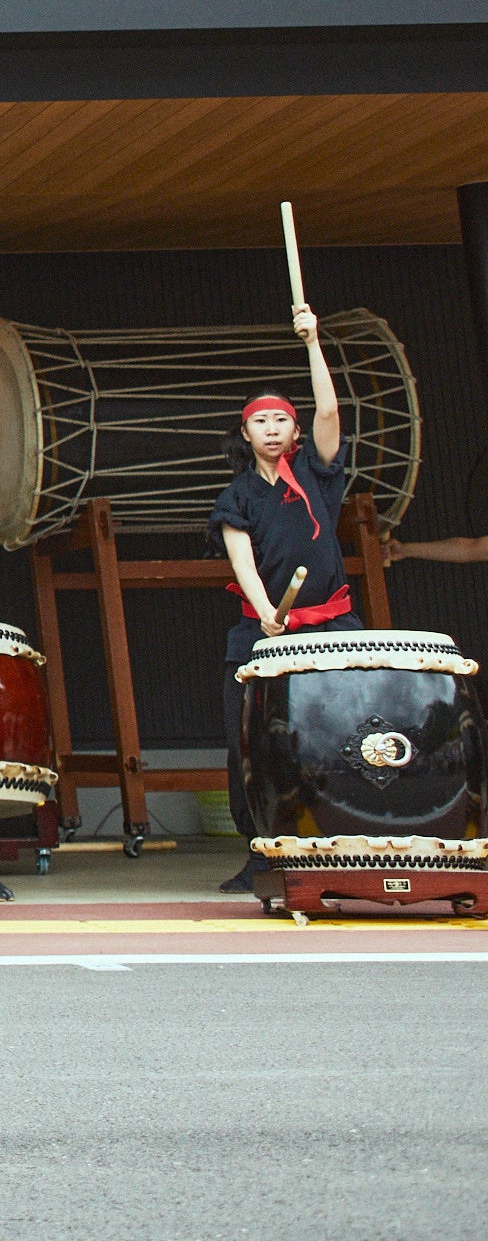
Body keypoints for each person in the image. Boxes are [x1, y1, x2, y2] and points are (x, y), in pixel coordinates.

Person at [210, 300, 348, 895]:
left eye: (281, 421)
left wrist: (313, 342)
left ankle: (342, 835)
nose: (272, 428)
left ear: (295, 432)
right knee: (248, 735)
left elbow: (331, 409)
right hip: (261, 632)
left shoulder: (317, 474)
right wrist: (266, 613)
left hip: (332, 627)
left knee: (337, 729)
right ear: (246, 434)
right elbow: (241, 558)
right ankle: (261, 849)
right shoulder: (237, 495)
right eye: (260, 421)